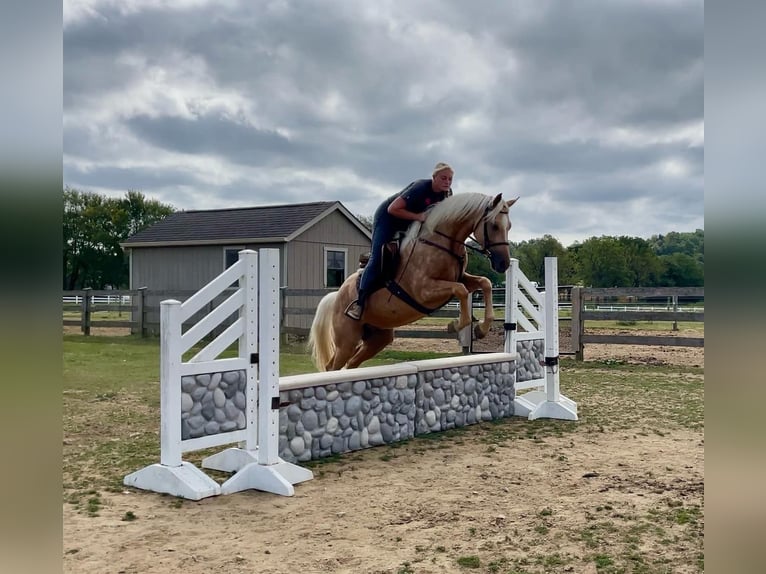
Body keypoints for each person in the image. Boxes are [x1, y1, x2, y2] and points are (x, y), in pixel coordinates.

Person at [345, 162, 454, 320]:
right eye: (443, 178)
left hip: (412, 222)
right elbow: (393, 209)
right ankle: (359, 303)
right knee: (378, 257)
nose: (447, 182)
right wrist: (419, 217)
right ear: (434, 177)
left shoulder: (447, 194)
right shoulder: (420, 188)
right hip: (388, 219)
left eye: (450, 179)